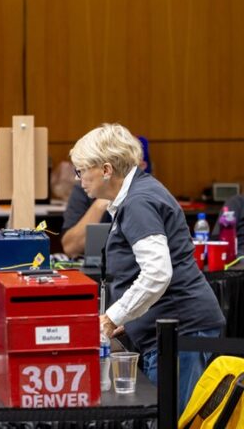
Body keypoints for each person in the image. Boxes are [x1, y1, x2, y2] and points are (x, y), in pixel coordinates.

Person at [70, 123, 224, 415]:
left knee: (175, 422)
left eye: (81, 171)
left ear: (105, 169)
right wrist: (133, 317)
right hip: (175, 327)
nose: (79, 181)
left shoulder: (138, 202)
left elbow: (157, 274)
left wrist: (111, 317)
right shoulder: (139, 194)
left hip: (182, 331)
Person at [61, 135, 150, 258]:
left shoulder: (145, 197)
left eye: (83, 170)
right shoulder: (85, 188)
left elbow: (155, 268)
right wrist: (101, 203)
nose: (79, 178)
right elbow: (70, 248)